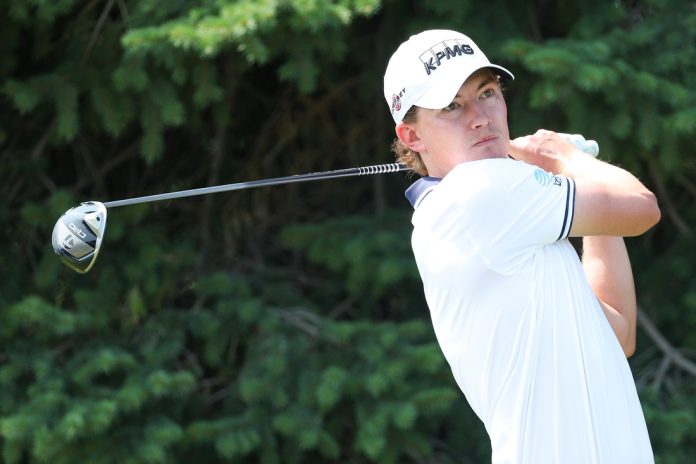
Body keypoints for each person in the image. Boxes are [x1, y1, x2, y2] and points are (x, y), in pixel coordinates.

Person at [383, 29, 660, 463]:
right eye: (452, 106)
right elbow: (642, 208)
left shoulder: (500, 215)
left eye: (487, 93)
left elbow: (618, 333)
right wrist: (566, 158)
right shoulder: (478, 192)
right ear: (412, 136)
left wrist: (576, 175)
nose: (480, 117)